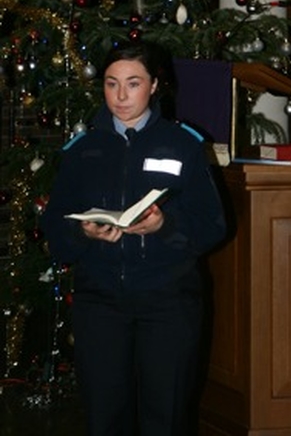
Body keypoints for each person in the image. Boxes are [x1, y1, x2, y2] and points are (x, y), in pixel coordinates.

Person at [42, 41, 227, 436]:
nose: (121, 96)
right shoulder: (82, 150)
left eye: (133, 83)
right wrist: (83, 231)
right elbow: (56, 231)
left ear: (155, 86)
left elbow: (213, 225)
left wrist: (165, 225)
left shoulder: (184, 145)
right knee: (106, 418)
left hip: (169, 302)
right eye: (111, 84)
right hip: (101, 303)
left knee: (167, 416)